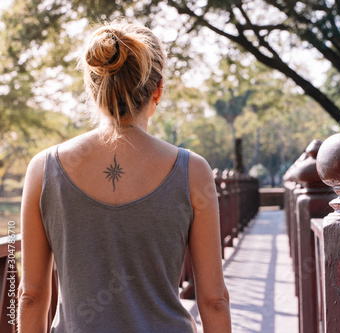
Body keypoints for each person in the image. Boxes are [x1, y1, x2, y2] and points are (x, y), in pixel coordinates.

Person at [18, 21, 231, 332]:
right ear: (157, 90)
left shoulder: (43, 169)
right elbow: (214, 301)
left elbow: (31, 297)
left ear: (92, 89)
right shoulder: (192, 172)